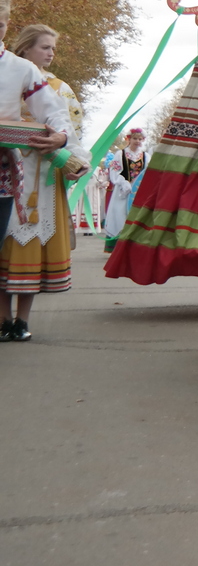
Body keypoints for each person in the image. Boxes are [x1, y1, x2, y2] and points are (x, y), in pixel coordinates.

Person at [0, 18, 77, 342]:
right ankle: (4, 318)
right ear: (27, 46)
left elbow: (66, 124)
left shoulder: (53, 86)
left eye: (53, 48)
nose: (50, 53)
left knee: (26, 238)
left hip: (34, 173)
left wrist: (67, 150)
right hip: (16, 167)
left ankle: (19, 319)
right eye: (45, 47)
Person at [102, 128, 148, 251]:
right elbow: (114, 170)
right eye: (135, 138)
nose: (137, 141)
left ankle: (133, 246)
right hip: (122, 191)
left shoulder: (146, 156)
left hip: (138, 192)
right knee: (120, 214)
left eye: (140, 139)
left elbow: (148, 174)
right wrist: (123, 181)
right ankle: (118, 246)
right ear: (129, 139)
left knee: (135, 216)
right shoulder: (120, 154)